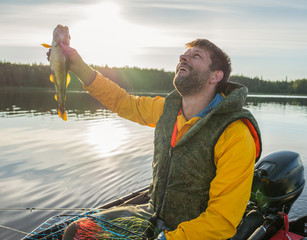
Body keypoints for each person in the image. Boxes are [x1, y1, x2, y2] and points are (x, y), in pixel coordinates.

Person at [56, 39, 262, 239]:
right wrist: (78, 66)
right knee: (78, 231)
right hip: (152, 213)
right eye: (184, 55)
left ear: (215, 76)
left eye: (195, 56)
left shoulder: (235, 133)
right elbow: (122, 102)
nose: (183, 57)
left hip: (195, 230)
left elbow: (221, 221)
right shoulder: (166, 110)